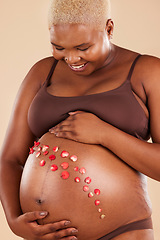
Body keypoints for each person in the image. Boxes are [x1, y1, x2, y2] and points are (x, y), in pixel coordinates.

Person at [0, 0, 160, 239]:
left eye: (83, 47)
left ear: (108, 29)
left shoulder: (147, 71)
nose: (72, 58)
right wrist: (14, 220)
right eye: (59, 47)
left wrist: (104, 134)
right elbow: (10, 159)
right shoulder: (43, 72)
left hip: (121, 231)